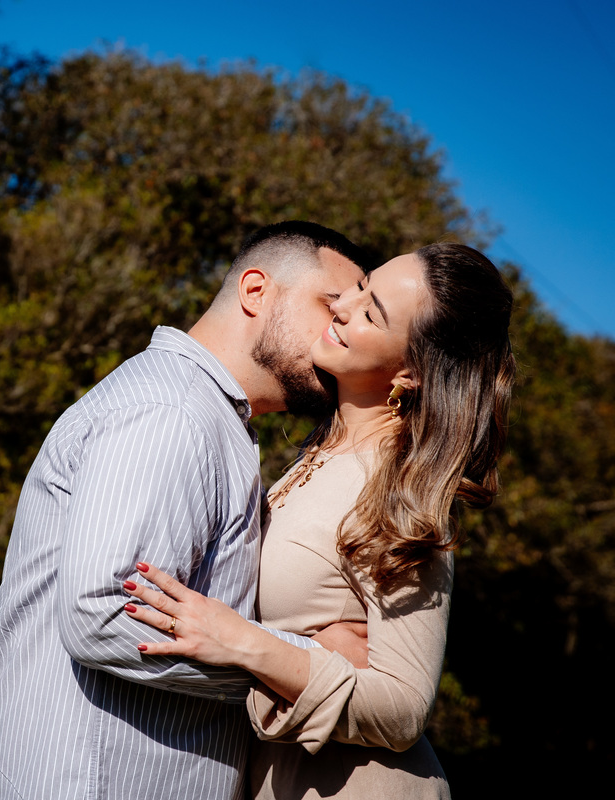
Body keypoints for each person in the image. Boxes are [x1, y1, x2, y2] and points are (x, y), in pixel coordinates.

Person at [0, 221, 370, 800]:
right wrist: (304, 664)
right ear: (256, 292)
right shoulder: (173, 412)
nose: (342, 337)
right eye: (332, 309)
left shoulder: (201, 415)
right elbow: (102, 613)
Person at [123, 242, 515, 799]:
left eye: (373, 312)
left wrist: (244, 642)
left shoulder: (401, 494)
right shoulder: (317, 456)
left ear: (412, 371)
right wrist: (309, 648)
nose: (343, 306)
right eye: (361, 286)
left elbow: (404, 709)